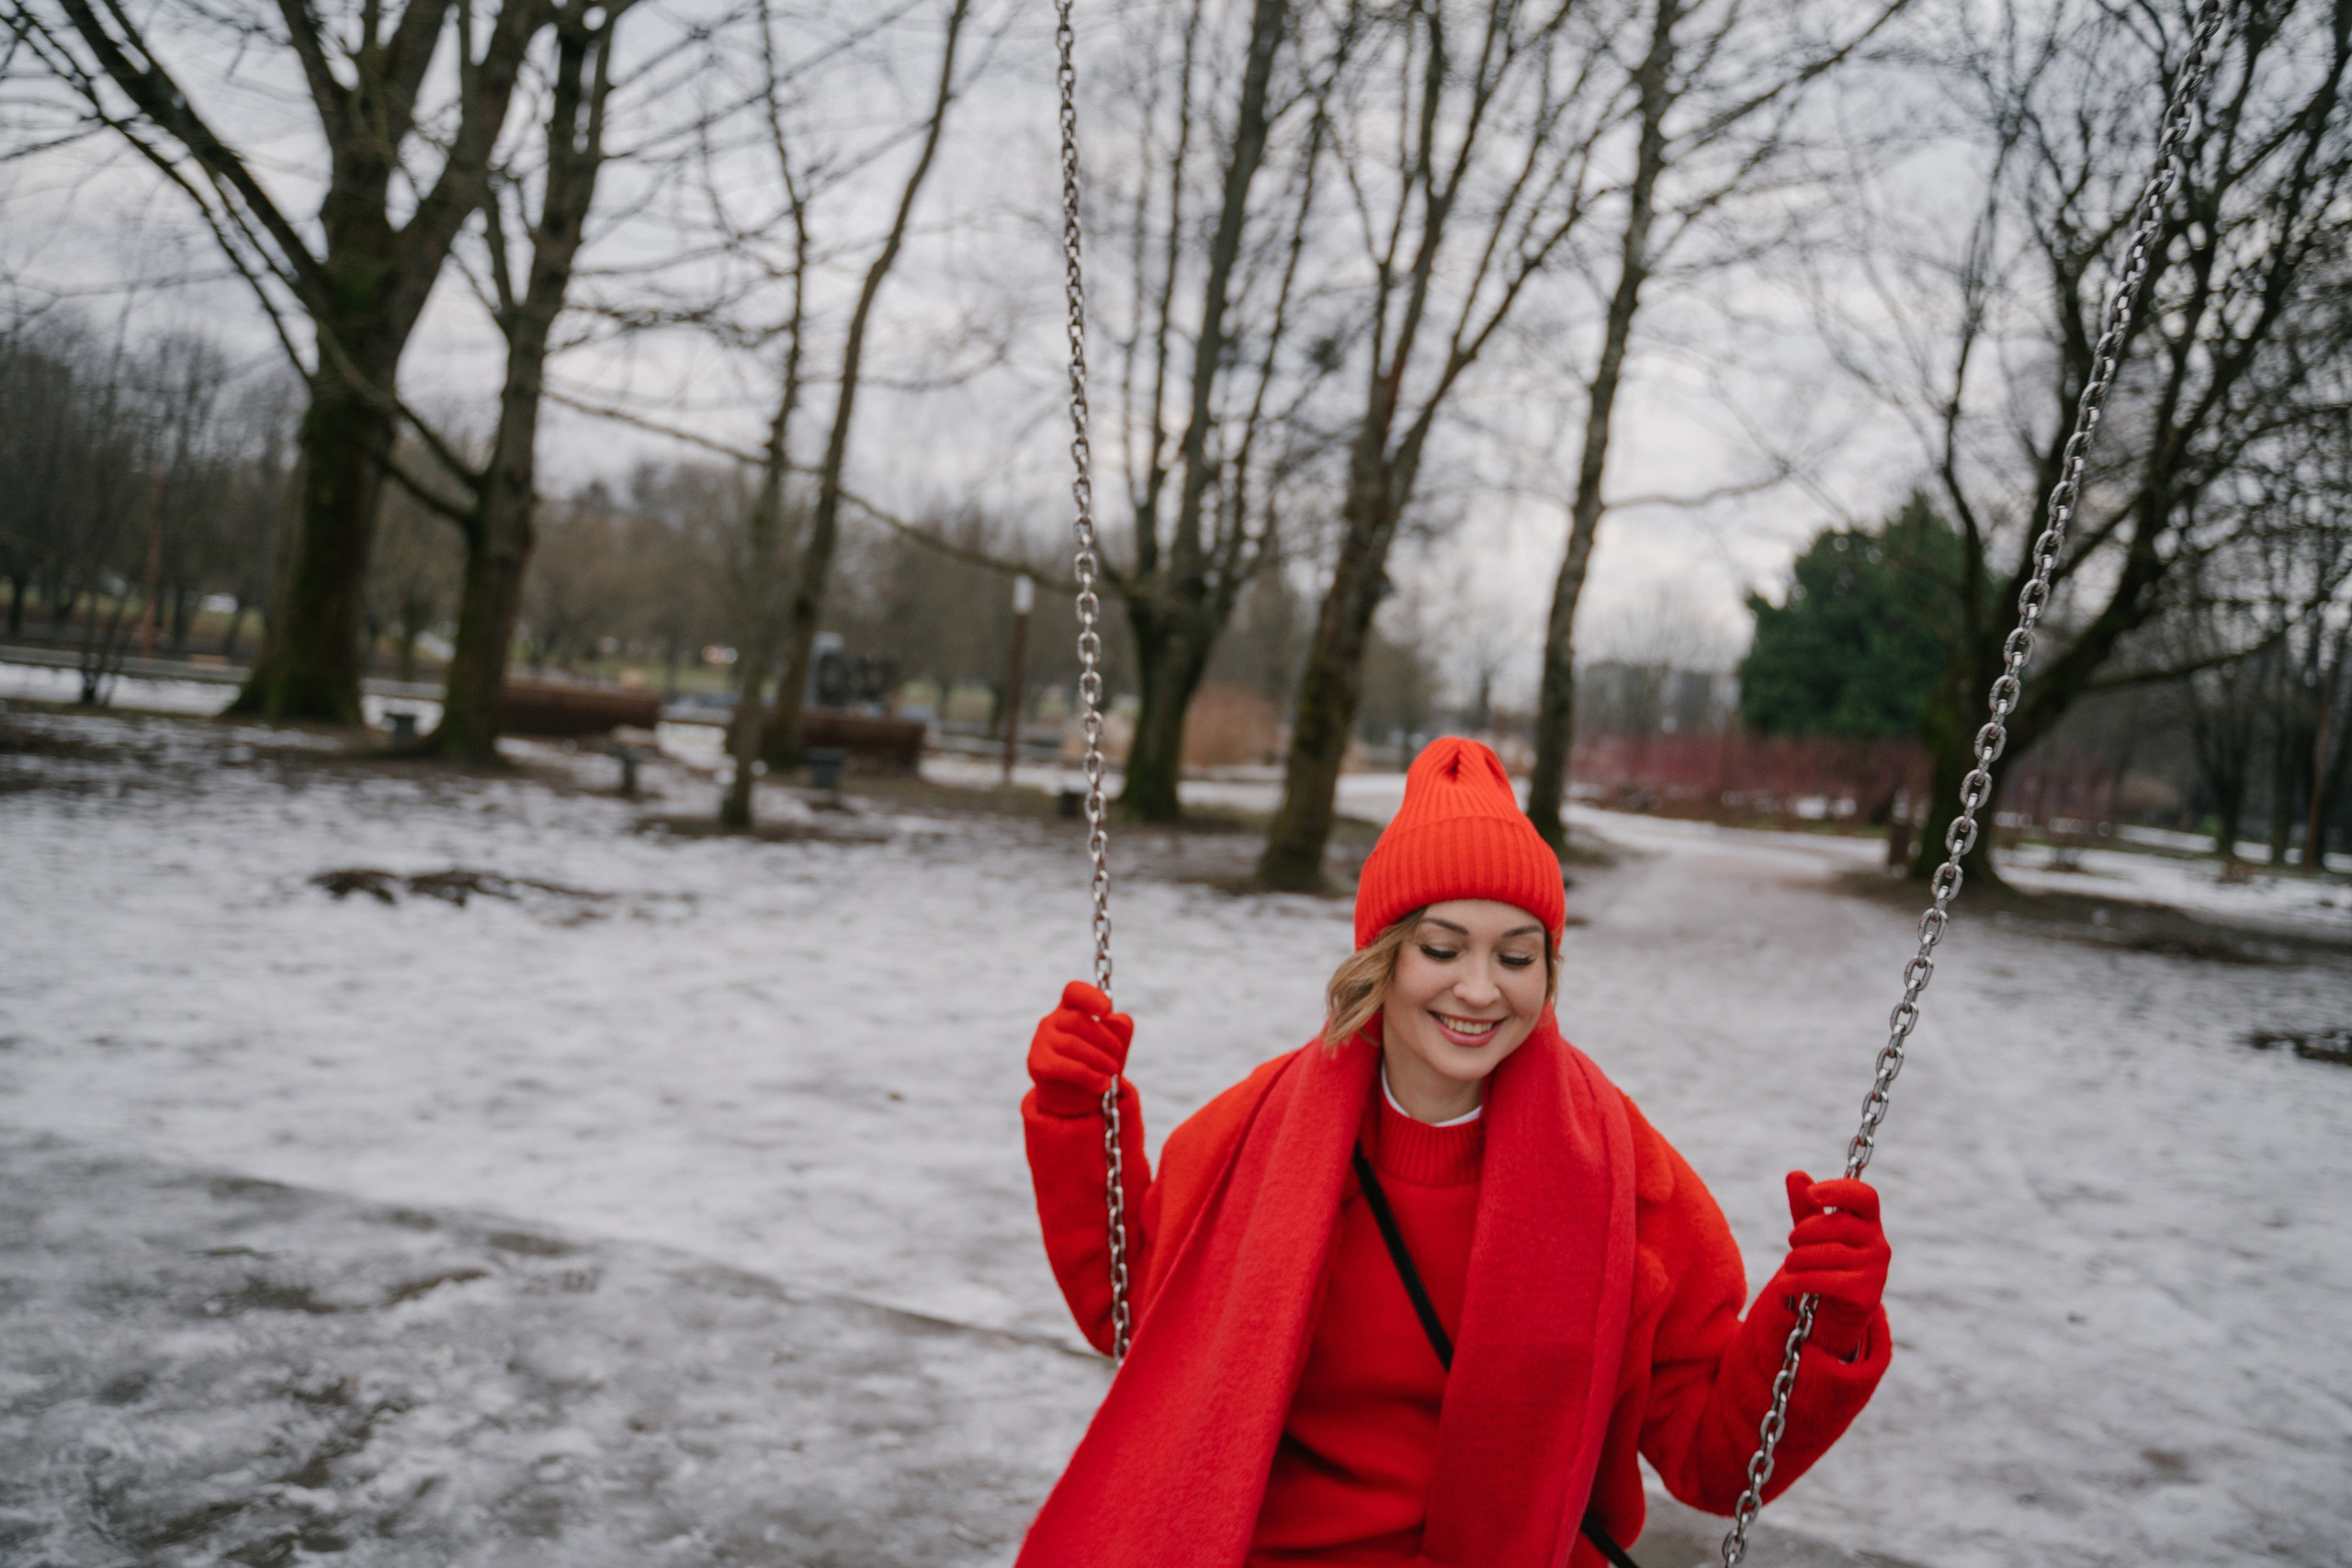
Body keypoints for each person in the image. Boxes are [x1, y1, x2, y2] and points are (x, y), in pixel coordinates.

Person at [1019, 738, 1893, 1568]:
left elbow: (1713, 1457)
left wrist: (1817, 1325)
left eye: (1517, 956)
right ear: (1383, 958)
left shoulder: (1622, 1174)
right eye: (1442, 949)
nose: (1479, 989)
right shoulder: (1255, 1132)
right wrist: (1074, 1115)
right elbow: (1134, 1317)